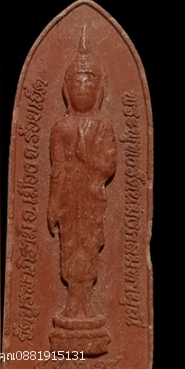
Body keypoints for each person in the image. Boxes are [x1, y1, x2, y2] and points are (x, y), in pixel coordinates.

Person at [48, 27, 117, 325]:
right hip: (69, 200)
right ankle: (71, 305)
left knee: (89, 245)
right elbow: (57, 171)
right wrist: (53, 205)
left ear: (98, 90)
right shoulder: (60, 129)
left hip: (91, 199)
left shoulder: (103, 127)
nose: (83, 90)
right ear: (67, 90)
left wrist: (87, 157)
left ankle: (86, 304)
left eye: (89, 84)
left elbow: (109, 166)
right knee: (69, 245)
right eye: (77, 84)